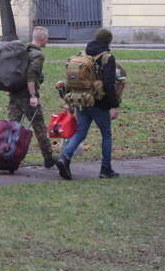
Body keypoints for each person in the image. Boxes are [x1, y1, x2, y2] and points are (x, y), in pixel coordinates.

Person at [55, 28, 120, 180]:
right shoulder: (107, 58)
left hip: (82, 100)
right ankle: (106, 169)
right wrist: (114, 105)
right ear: (109, 41)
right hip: (99, 102)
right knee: (106, 134)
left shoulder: (84, 54)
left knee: (80, 132)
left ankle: (64, 158)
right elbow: (109, 84)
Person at [8, 26, 56, 169]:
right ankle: (48, 158)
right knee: (39, 127)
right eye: (47, 38)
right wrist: (33, 96)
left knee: (12, 127)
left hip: (14, 94)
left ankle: (6, 155)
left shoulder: (23, 51)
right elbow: (31, 76)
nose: (48, 40)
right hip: (27, 97)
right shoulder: (38, 55)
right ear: (43, 39)